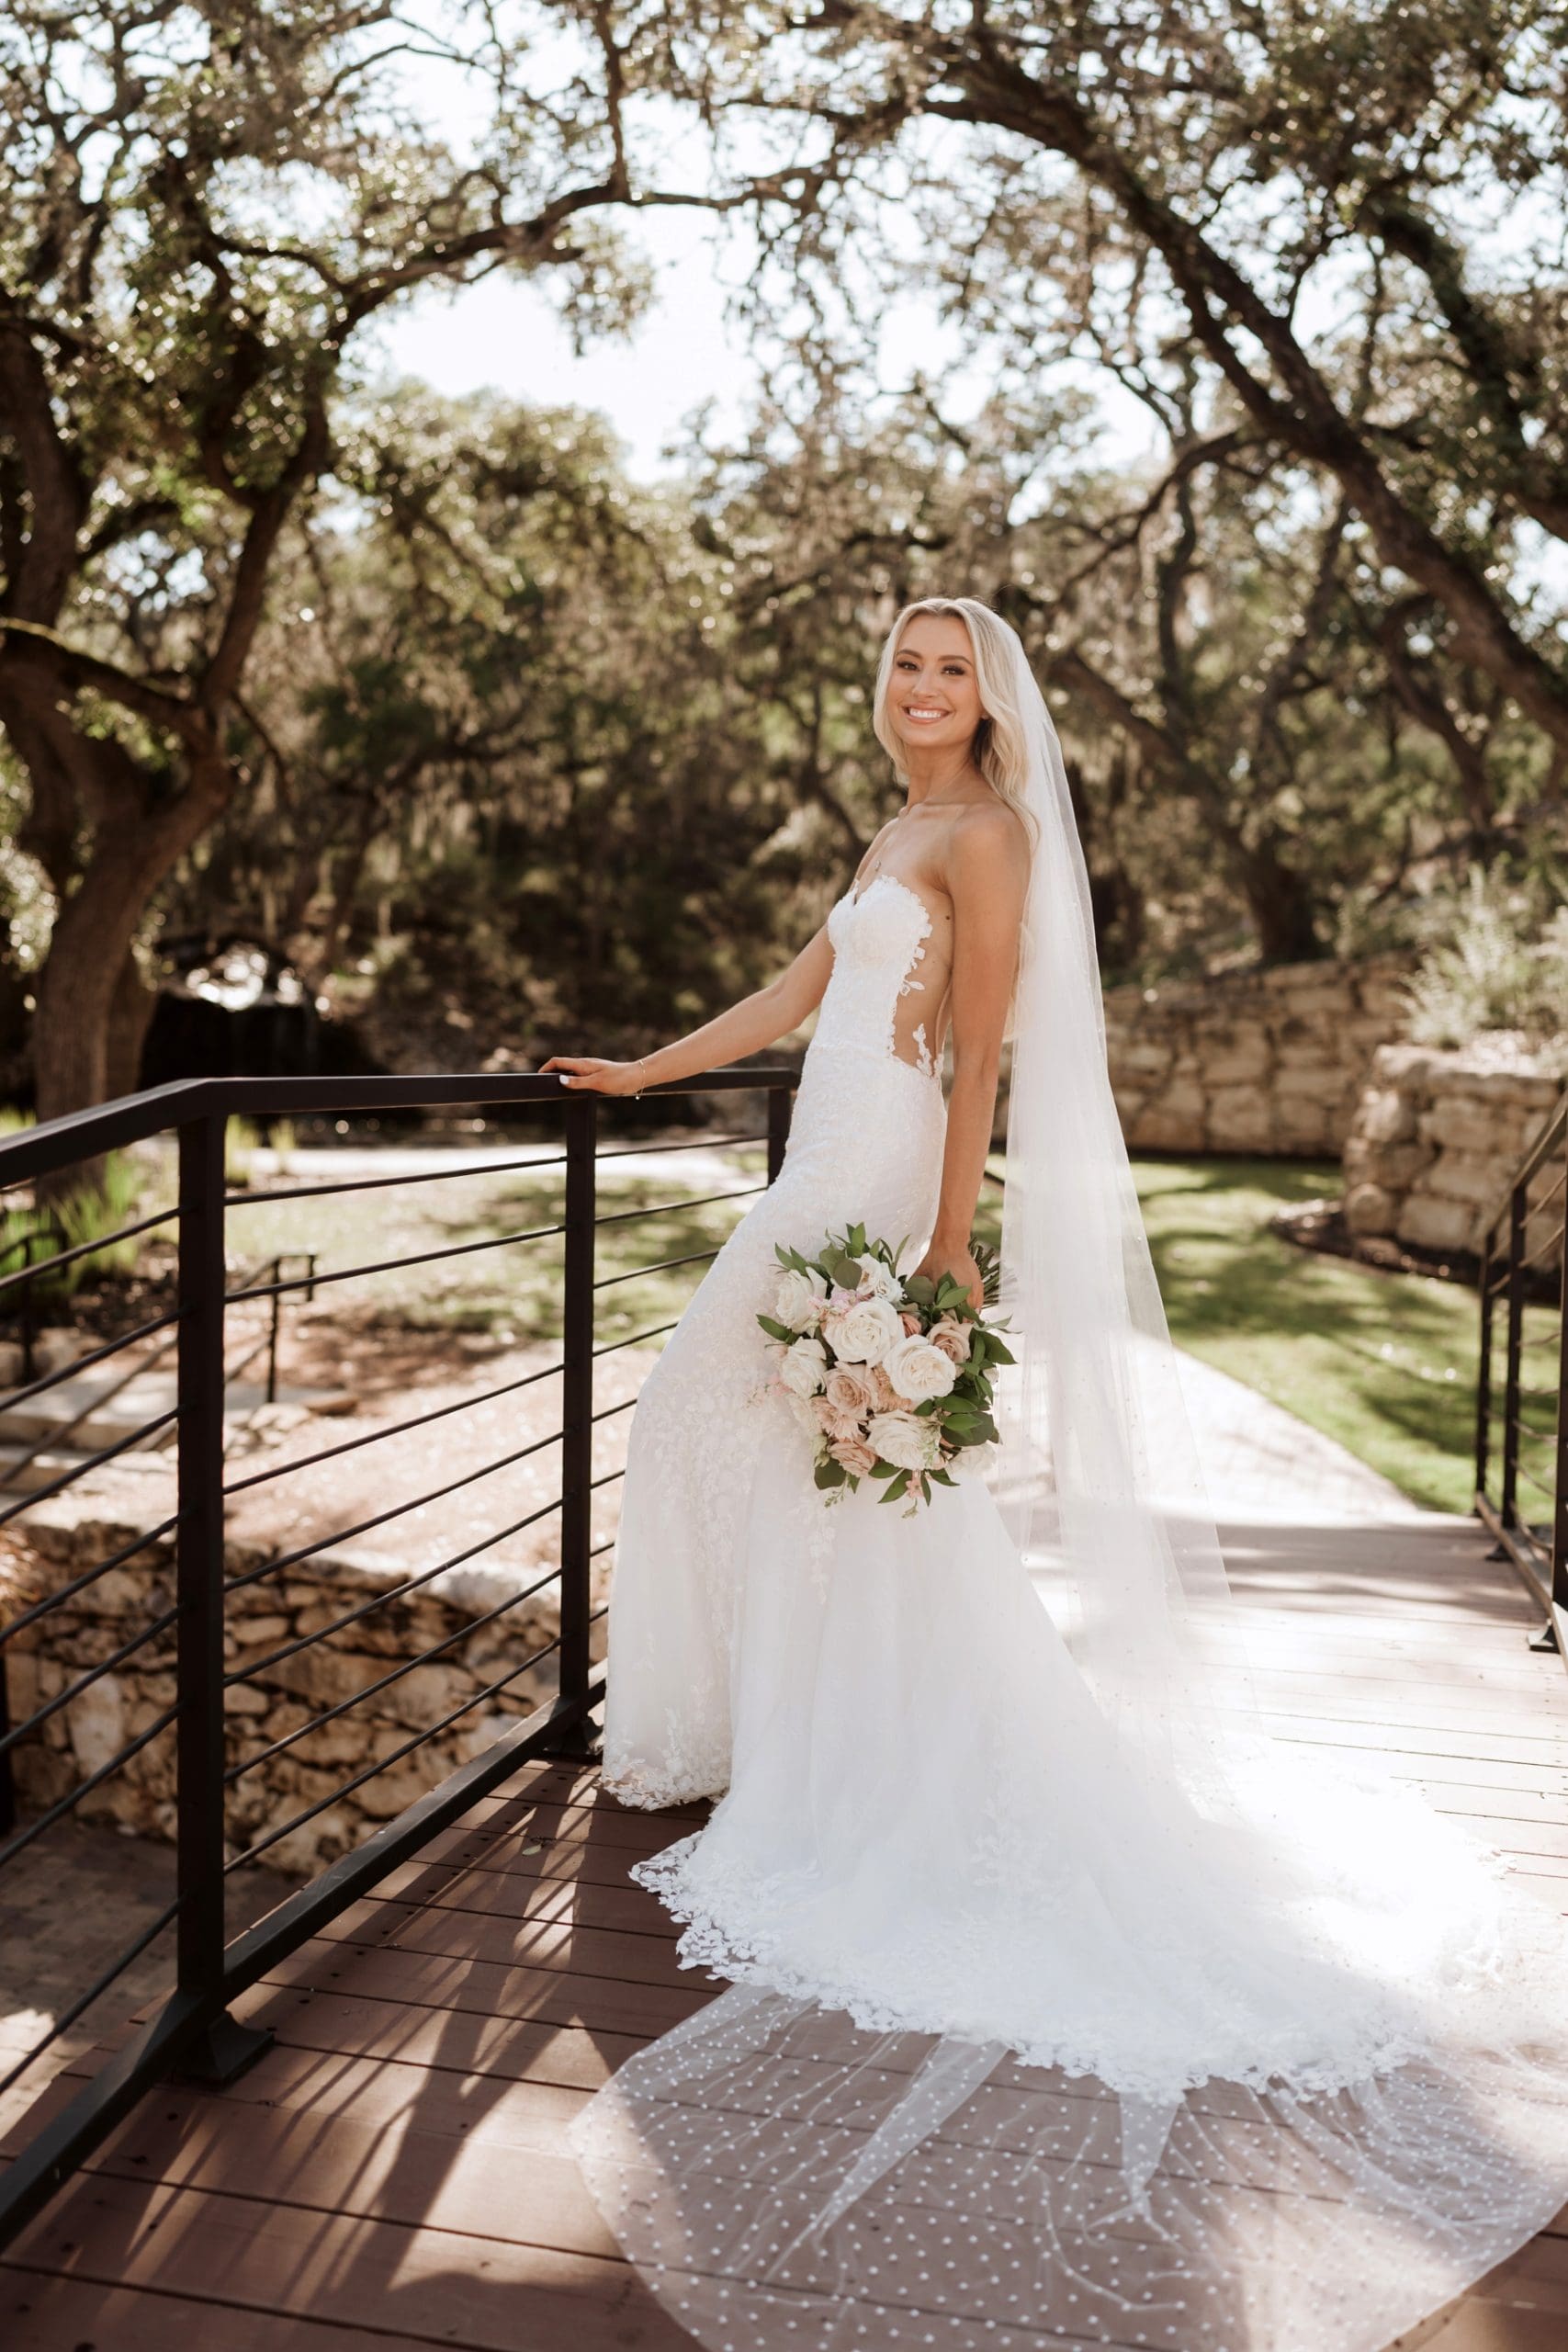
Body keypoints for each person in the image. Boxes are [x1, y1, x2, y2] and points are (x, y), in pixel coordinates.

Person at [541, 598, 1568, 2352]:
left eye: (947, 670)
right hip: (816, 1154)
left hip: (877, 1178)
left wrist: (948, 1257)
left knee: (766, 1437)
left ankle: (809, 1741)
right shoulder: (893, 829)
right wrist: (648, 1068)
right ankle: (752, 1729)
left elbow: (988, 1043)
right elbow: (807, 992)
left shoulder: (996, 836)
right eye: (900, 666)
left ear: (989, 699)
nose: (917, 690)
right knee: (755, 1448)